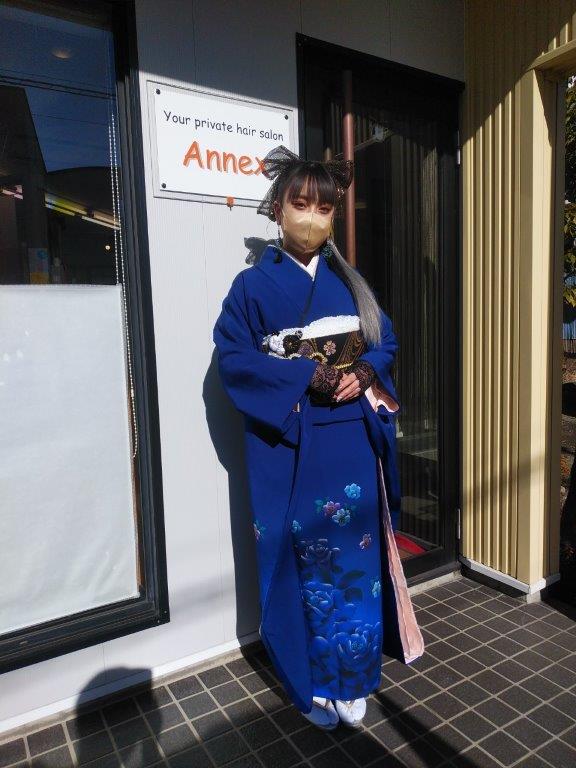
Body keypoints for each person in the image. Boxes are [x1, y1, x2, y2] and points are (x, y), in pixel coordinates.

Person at [213, 145, 424, 730]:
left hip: (350, 441)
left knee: (353, 560)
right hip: (293, 442)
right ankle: (309, 682)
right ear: (277, 209)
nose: (311, 218)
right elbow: (234, 359)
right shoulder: (251, 288)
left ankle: (352, 678)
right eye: (300, 204)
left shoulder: (348, 284)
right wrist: (305, 375)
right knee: (302, 563)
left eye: (323, 208)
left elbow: (385, 341)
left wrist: (364, 370)